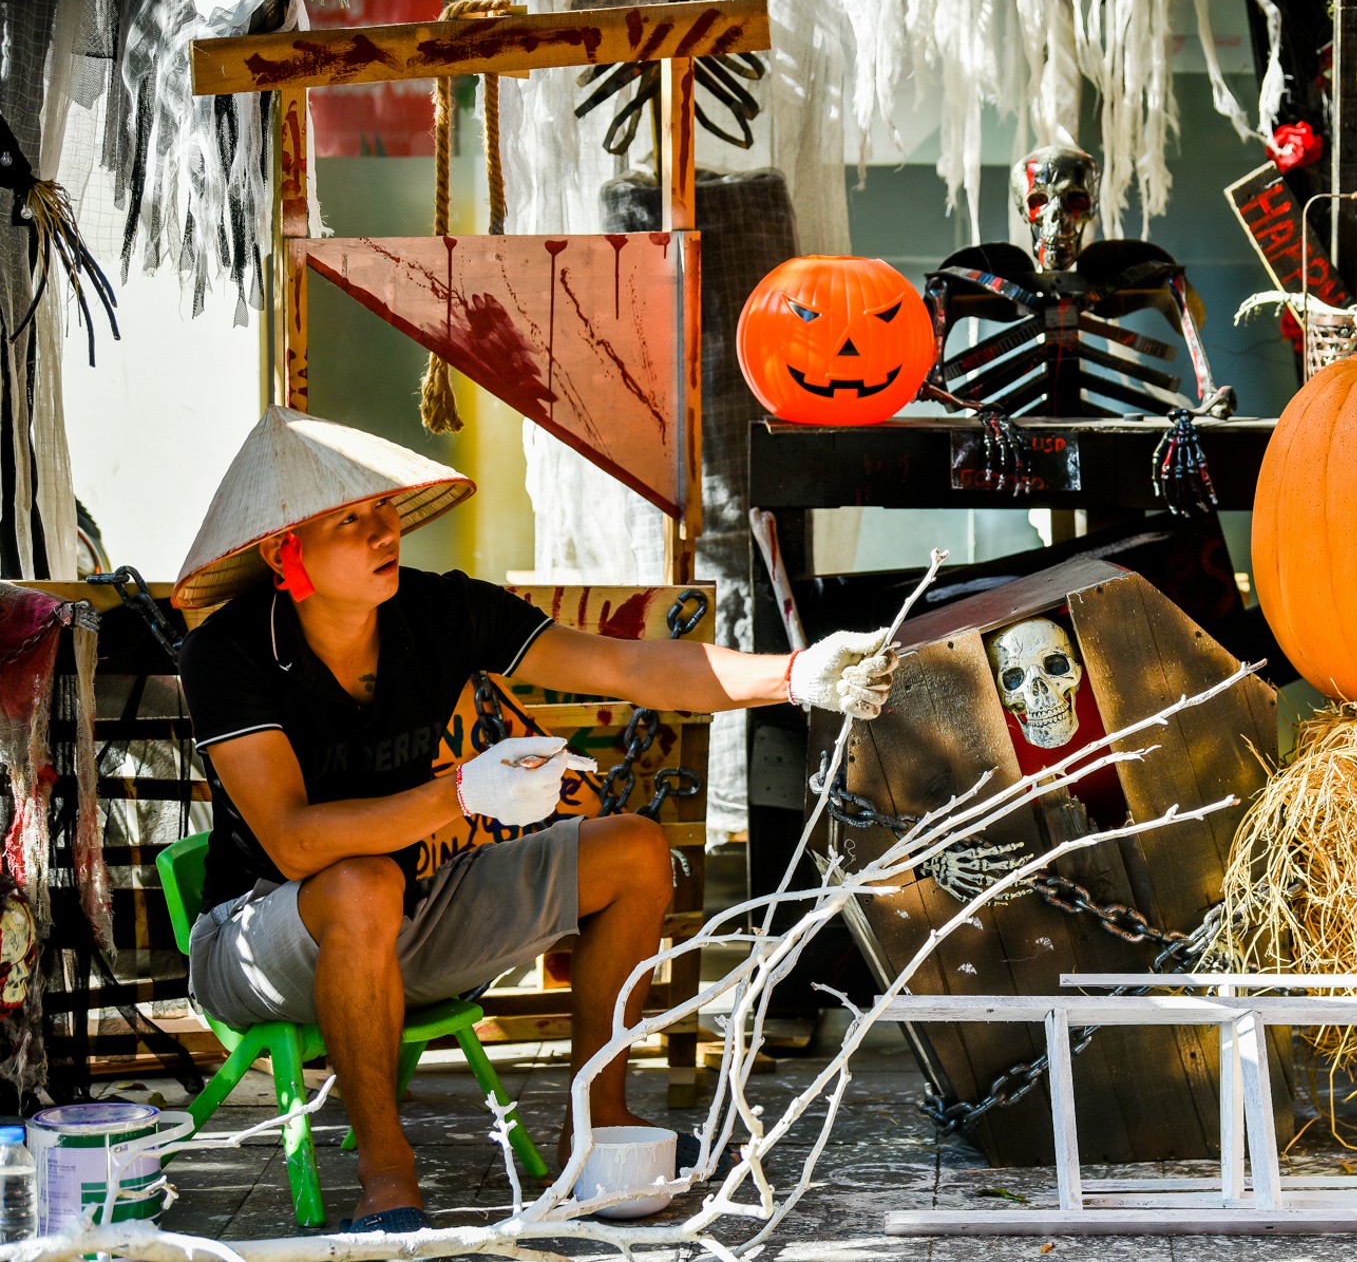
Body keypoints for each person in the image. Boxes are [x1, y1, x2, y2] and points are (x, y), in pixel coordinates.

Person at [170, 406, 896, 1232]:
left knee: (632, 850)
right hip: (255, 935)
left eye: (385, 510)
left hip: (412, 915)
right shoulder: (226, 652)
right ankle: (385, 1170)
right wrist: (460, 796)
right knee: (361, 880)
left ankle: (599, 1127)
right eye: (350, 519)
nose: (383, 533)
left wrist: (796, 675)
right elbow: (296, 841)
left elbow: (626, 663)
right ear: (283, 552)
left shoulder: (437, 611)